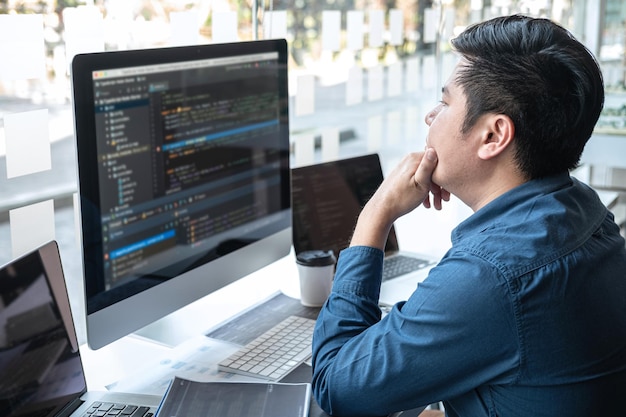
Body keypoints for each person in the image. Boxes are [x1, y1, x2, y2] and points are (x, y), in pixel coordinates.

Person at [310, 14, 626, 417]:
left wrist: (376, 213)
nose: (430, 116)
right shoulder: (583, 208)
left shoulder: (491, 276)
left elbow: (336, 387)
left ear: (493, 136)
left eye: (444, 103)